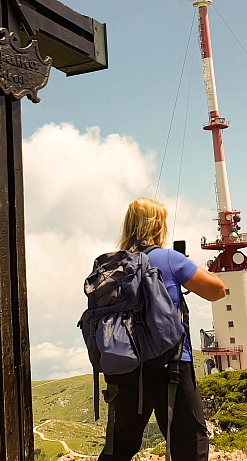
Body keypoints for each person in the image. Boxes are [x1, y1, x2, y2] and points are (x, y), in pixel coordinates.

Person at [98, 197, 225, 461]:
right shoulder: (169, 259)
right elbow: (217, 291)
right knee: (190, 440)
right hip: (171, 365)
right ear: (158, 225)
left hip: (125, 366)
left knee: (121, 444)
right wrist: (187, 265)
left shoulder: (115, 266)